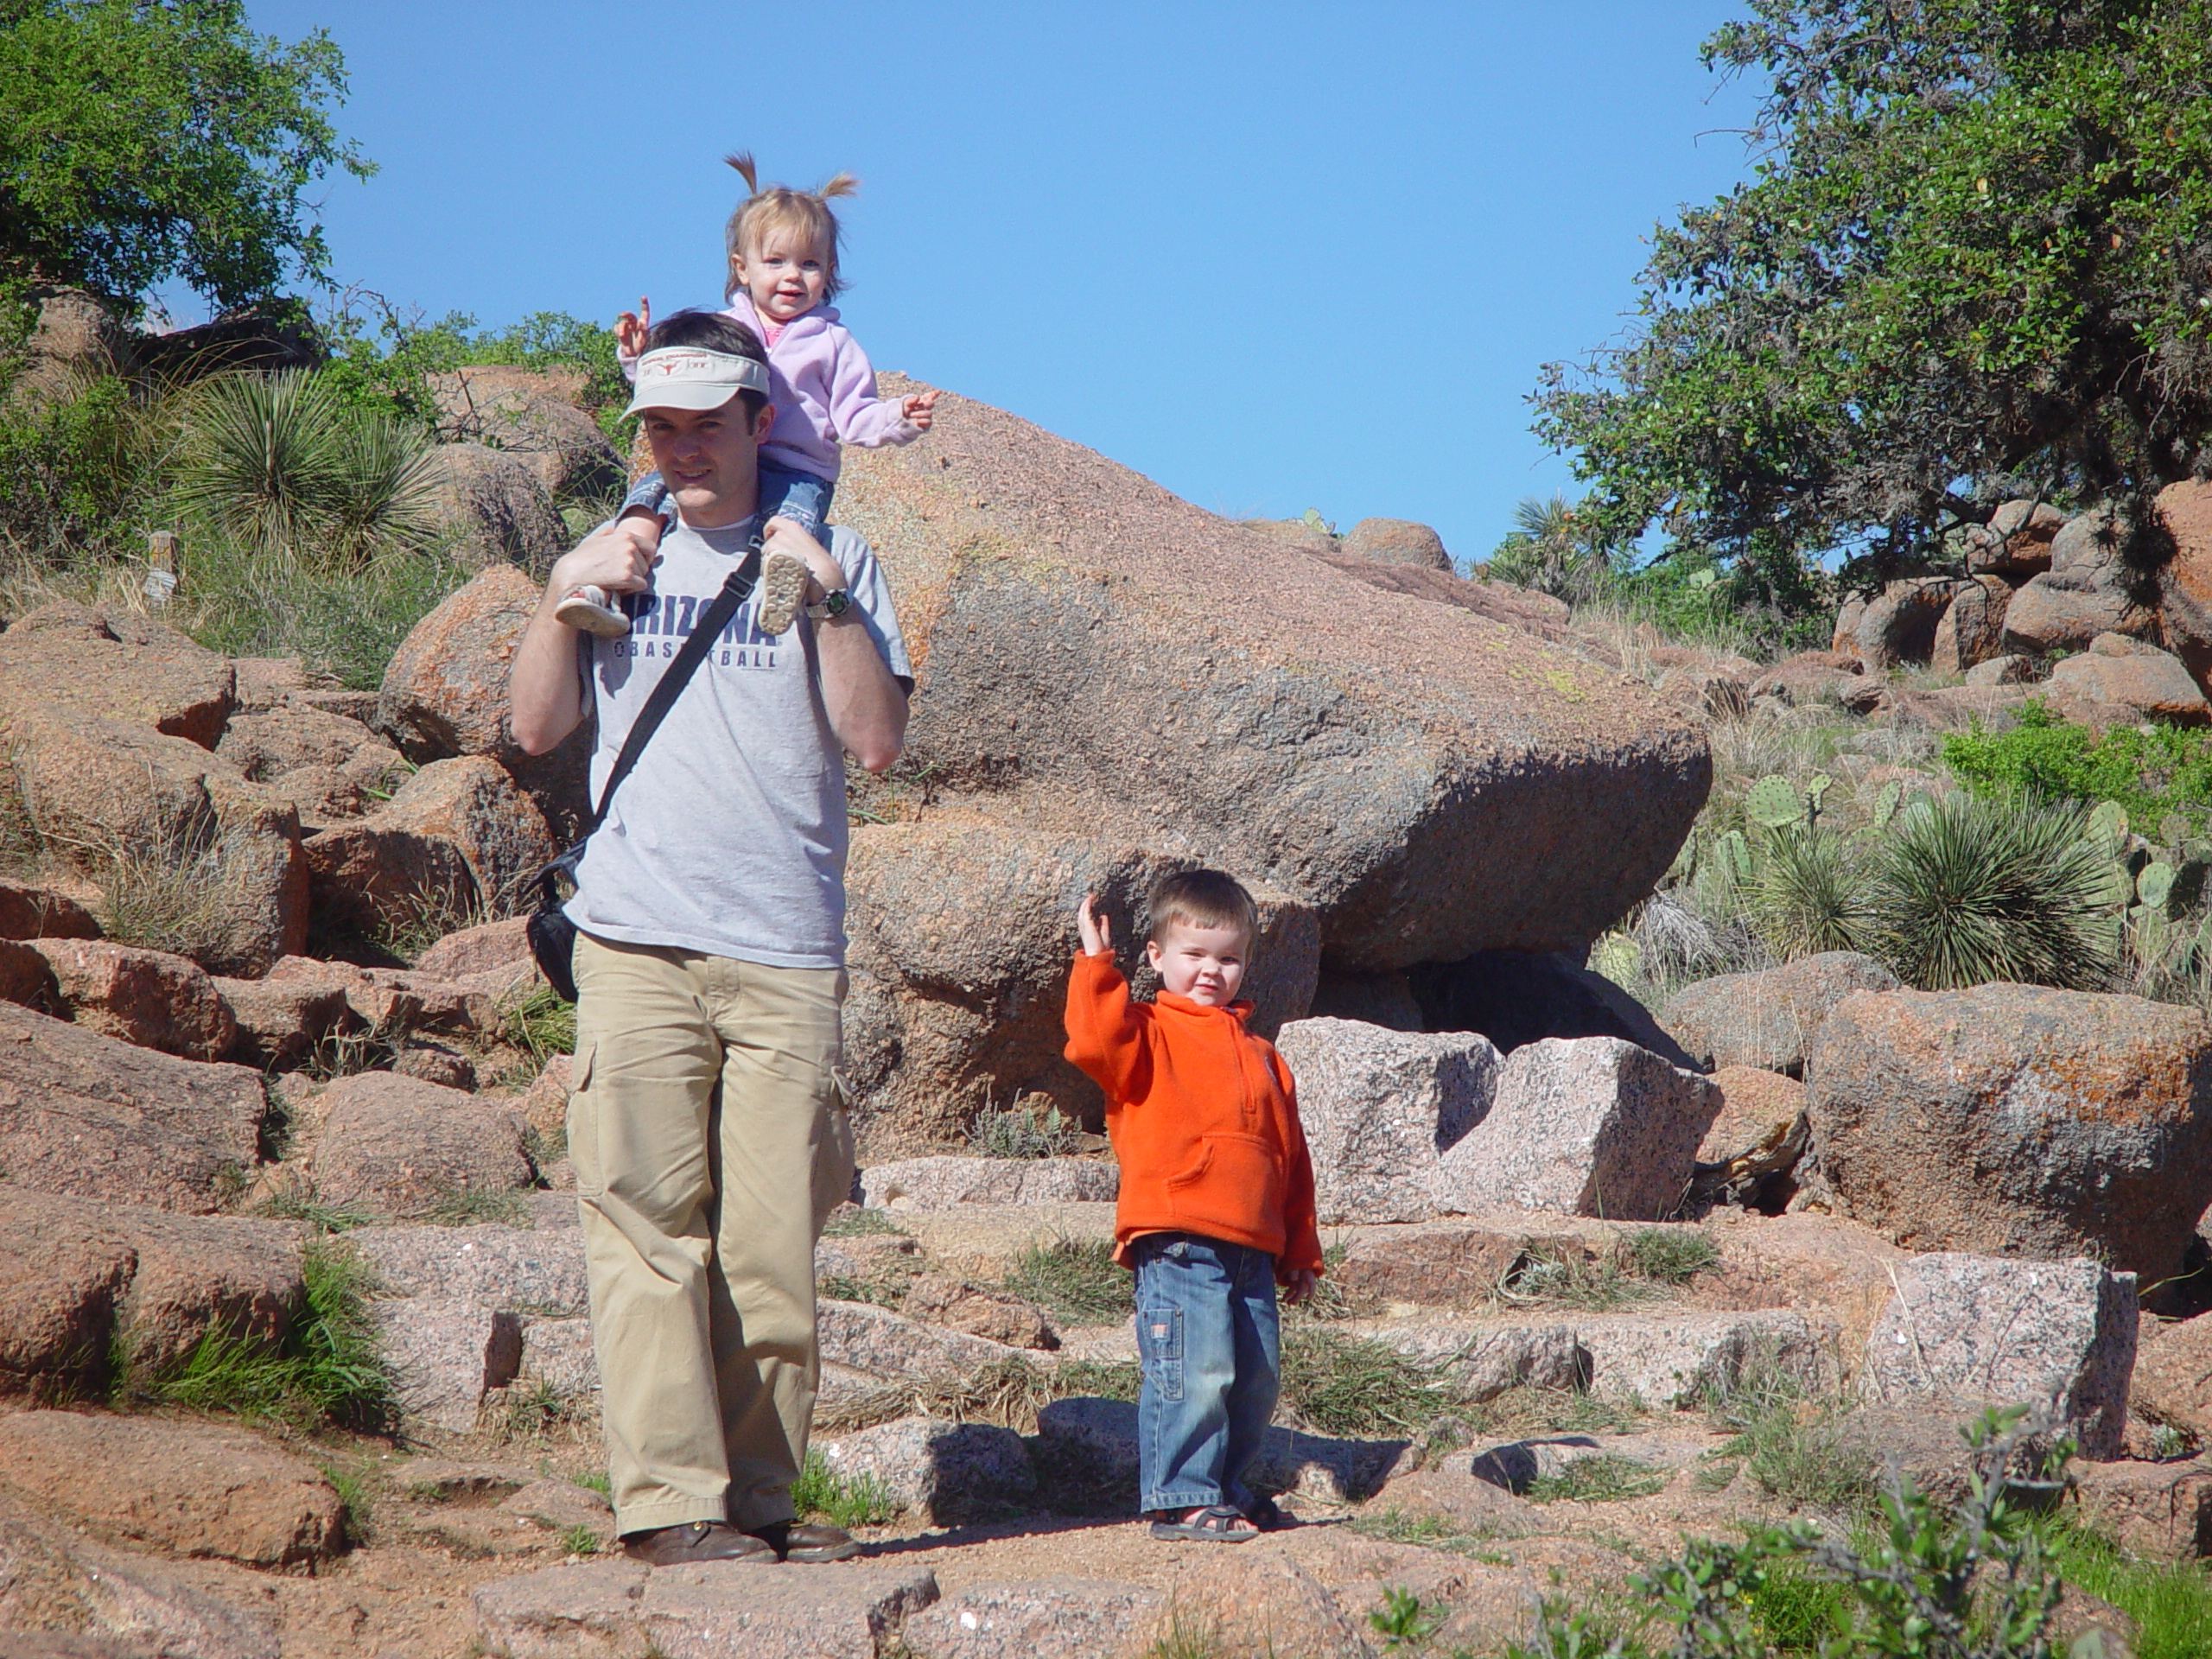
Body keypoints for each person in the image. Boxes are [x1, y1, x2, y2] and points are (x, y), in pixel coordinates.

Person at [509, 307, 912, 1567]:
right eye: (661, 429)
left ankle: (760, 1500)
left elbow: (877, 742)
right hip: (634, 938)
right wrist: (560, 603)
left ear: (757, 422)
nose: (685, 449)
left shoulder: (837, 552)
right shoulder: (615, 554)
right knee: (642, 1225)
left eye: (707, 424)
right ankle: (671, 1507)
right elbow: (534, 729)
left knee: (771, 1243)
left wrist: (830, 599)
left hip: (786, 944)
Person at [555, 154, 938, 639]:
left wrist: (897, 418)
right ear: (742, 268)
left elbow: (854, 415)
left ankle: (783, 586)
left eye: (810, 263)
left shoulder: (833, 344)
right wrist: (637, 359)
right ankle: (601, 591)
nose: (793, 276)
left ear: (830, 270)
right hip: (722, 452)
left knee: (789, 528)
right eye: (775, 261)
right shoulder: (726, 328)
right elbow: (678, 387)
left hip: (798, 468)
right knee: (647, 504)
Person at [1062, 871, 1324, 1541]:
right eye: (1195, 954)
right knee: (1196, 1371)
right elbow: (1091, 1039)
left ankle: (1225, 1489)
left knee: (1255, 1381)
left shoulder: (1266, 1057)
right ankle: (1183, 1496)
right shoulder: (1143, 1032)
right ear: (1156, 957)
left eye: (1229, 958)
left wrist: (1300, 1249)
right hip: (1179, 1242)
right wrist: (1096, 962)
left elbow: (1289, 1162)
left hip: (1253, 1253)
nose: (1212, 971)